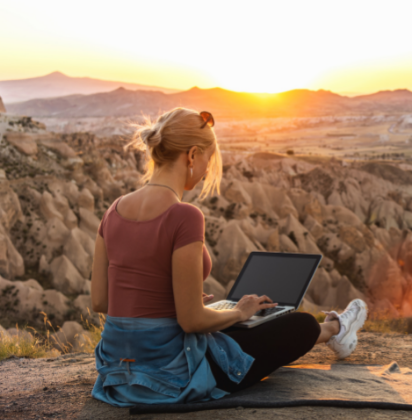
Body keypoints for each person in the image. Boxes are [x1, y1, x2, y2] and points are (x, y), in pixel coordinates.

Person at [90, 108, 368, 407]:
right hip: (171, 376)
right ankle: (335, 329)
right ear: (192, 155)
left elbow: (101, 302)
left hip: (117, 373)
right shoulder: (184, 215)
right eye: (209, 159)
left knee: (240, 324)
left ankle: (335, 330)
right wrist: (240, 312)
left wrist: (175, 302)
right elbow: (192, 321)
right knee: (301, 326)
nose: (208, 169)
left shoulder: (113, 211)